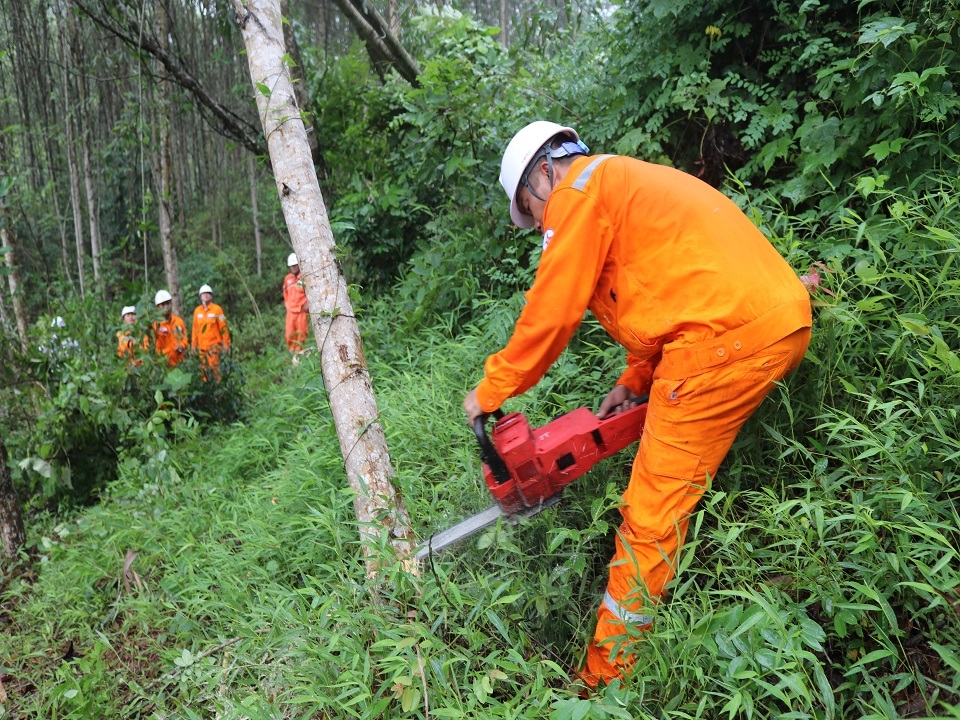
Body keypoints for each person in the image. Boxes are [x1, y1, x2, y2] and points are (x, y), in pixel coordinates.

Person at [462, 121, 812, 687]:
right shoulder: (620, 180)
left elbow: (553, 309)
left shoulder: (575, 195)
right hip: (778, 319)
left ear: (543, 174)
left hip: (724, 346)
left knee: (648, 517)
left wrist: (491, 391)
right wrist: (636, 378)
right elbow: (673, 286)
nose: (540, 224)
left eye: (532, 210)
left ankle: (604, 682)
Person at [190, 284, 230, 381]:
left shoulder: (218, 310)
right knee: (203, 371)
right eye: (203, 294)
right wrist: (193, 346)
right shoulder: (197, 311)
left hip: (214, 347)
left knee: (214, 370)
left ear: (211, 296)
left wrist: (226, 344)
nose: (206, 295)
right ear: (200, 296)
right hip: (202, 348)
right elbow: (195, 329)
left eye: (208, 293)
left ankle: (217, 390)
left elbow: (223, 327)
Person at [282, 252, 309, 360]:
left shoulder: (304, 277)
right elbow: (285, 293)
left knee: (302, 334)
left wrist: (308, 305)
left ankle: (299, 356)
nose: (293, 268)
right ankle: (291, 355)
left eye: (294, 265)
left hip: (302, 311)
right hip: (291, 311)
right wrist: (288, 304)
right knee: (289, 334)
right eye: (291, 266)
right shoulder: (287, 279)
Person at [152, 289, 188, 368]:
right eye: (163, 304)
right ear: (158, 307)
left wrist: (181, 345)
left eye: (168, 303)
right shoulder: (155, 325)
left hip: (179, 362)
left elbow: (184, 338)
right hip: (164, 364)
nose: (166, 307)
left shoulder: (179, 321)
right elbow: (152, 347)